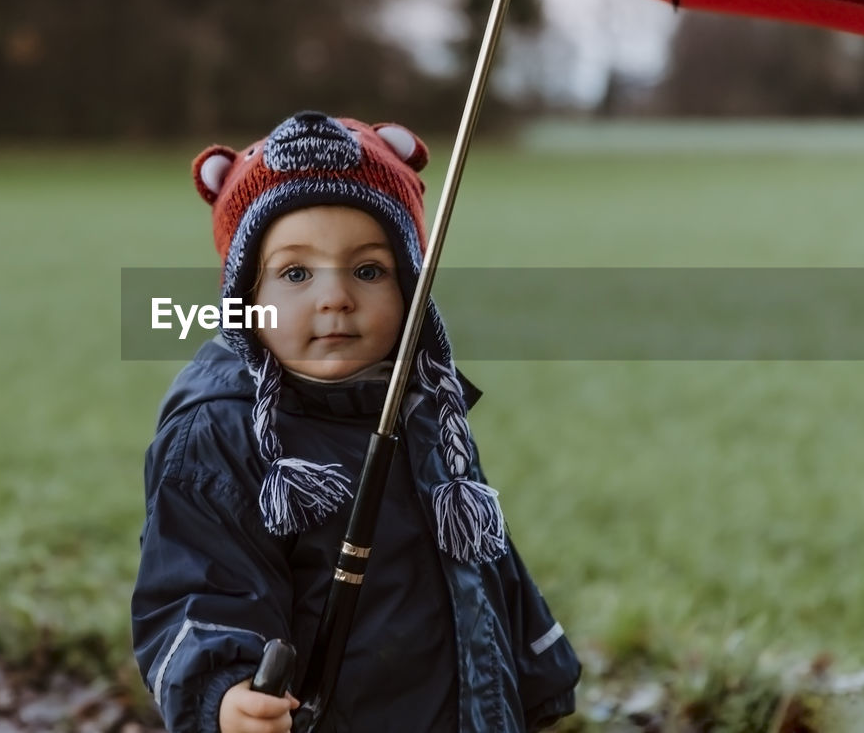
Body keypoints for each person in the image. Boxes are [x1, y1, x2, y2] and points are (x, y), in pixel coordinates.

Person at [131, 111, 581, 733]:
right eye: (295, 273)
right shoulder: (220, 432)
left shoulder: (426, 405)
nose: (335, 297)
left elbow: (481, 560)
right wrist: (224, 692)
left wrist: (536, 673)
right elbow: (194, 588)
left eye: (369, 270)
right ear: (243, 297)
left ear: (411, 289)